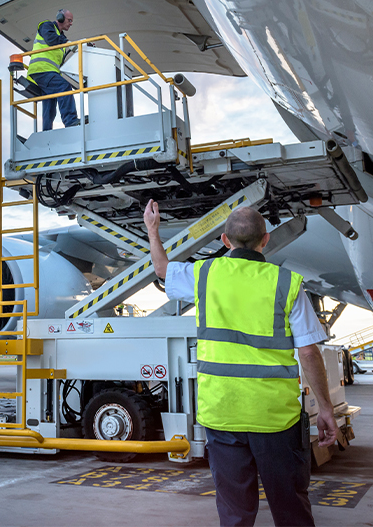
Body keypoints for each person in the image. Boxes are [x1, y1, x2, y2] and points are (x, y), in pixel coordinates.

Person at [143, 202, 338, 527]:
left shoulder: (205, 274)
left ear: (224, 240)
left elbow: (162, 269)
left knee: (235, 513)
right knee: (291, 510)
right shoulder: (286, 283)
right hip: (275, 418)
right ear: (266, 240)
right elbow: (307, 352)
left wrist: (153, 229)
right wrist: (326, 408)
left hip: (222, 413)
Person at [26, 9, 80, 131]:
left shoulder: (61, 37)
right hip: (41, 70)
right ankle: (70, 121)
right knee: (64, 86)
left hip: (47, 72)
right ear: (60, 18)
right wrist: (68, 43)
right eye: (69, 20)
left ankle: (46, 131)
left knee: (49, 101)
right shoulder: (47, 26)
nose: (71, 23)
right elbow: (51, 39)